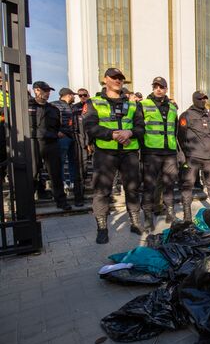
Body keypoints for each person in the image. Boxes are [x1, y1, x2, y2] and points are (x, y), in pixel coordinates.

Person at [83, 68, 145, 244]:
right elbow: (90, 126)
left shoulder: (134, 104)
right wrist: (112, 134)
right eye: (114, 77)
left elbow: (141, 128)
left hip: (129, 152)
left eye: (120, 78)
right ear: (105, 79)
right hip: (105, 152)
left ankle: (135, 223)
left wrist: (130, 132)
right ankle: (102, 228)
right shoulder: (94, 102)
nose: (118, 80)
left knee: (132, 188)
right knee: (102, 191)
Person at [140, 77, 179, 232]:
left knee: (169, 185)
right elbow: (139, 128)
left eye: (161, 87)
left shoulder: (173, 107)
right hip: (151, 152)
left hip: (169, 152)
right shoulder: (143, 105)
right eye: (155, 86)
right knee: (149, 186)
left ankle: (170, 213)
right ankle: (148, 218)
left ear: (166, 89)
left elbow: (175, 129)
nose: (158, 89)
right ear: (152, 88)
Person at [29, 81, 71, 210]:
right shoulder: (27, 106)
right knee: (32, 172)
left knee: (55, 173)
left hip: (51, 144)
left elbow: (60, 127)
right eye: (45, 90)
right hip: (33, 142)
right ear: (36, 90)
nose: (47, 93)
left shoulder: (53, 109)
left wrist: (61, 132)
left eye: (48, 91)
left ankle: (61, 201)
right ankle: (27, 203)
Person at [178, 91, 210, 221]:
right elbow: (180, 136)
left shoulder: (207, 115)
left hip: (208, 157)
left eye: (205, 98)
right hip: (193, 157)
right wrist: (183, 157)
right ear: (194, 99)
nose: (203, 101)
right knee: (188, 185)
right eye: (200, 99)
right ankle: (187, 215)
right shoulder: (186, 115)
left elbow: (209, 136)